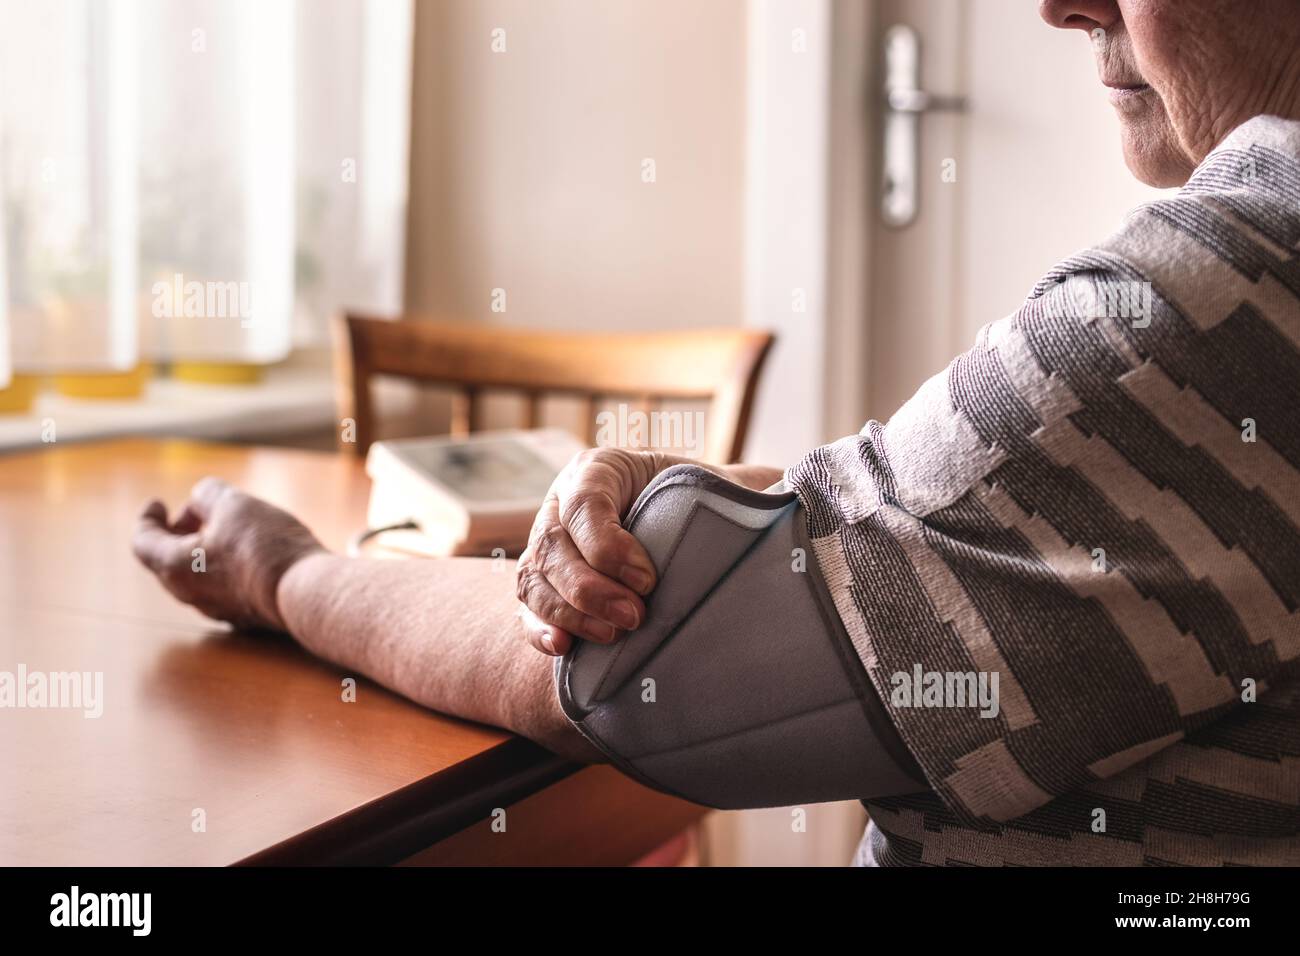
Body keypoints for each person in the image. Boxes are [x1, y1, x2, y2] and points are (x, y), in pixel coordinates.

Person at [134, 0, 1300, 865]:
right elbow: (1026, 559)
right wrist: (717, 501)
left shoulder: (1238, 279)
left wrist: (281, 573)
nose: (1057, 5)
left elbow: (635, 667)